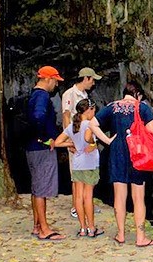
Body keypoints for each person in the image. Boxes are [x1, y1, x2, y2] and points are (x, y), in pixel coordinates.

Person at [89, 81, 153, 247]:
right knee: (138, 197)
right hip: (137, 154)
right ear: (138, 94)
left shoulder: (112, 107)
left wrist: (106, 140)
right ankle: (141, 237)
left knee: (119, 196)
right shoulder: (142, 107)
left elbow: (92, 124)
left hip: (117, 153)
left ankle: (121, 234)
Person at [54, 98, 104, 237]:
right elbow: (92, 142)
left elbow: (57, 142)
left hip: (77, 164)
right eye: (93, 110)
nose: (94, 113)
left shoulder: (71, 126)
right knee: (88, 197)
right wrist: (93, 145)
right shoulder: (90, 125)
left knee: (78, 197)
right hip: (89, 163)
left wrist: (71, 144)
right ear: (88, 110)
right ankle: (92, 228)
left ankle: (82, 228)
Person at [27, 66, 66, 241]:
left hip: (32, 147)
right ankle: (44, 229)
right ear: (48, 79)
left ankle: (37, 225)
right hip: (41, 148)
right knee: (42, 189)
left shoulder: (33, 95)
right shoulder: (42, 95)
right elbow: (38, 116)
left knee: (36, 188)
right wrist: (45, 138)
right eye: (56, 81)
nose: (56, 85)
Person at [61, 67, 102, 219]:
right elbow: (66, 116)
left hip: (87, 139)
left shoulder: (85, 95)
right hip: (76, 139)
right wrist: (70, 140)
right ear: (86, 78)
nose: (93, 83)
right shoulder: (69, 94)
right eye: (92, 80)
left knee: (88, 171)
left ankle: (87, 202)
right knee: (77, 173)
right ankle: (75, 206)